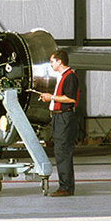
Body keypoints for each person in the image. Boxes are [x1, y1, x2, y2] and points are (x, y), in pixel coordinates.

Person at [39, 49, 79, 197]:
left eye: (52, 62)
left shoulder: (70, 77)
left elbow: (71, 99)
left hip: (64, 118)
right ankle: (65, 185)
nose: (51, 65)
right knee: (60, 151)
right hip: (58, 117)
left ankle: (66, 187)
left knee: (63, 152)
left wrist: (52, 97)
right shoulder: (61, 77)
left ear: (60, 61)